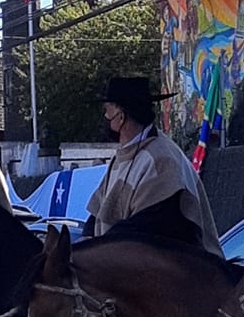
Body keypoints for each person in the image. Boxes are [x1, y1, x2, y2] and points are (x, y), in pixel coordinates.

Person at [83, 76, 223, 258]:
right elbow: (98, 212)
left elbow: (148, 225)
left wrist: (99, 250)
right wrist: (83, 244)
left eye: (107, 111)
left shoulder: (160, 159)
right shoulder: (121, 158)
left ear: (121, 117)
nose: (105, 117)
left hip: (183, 273)